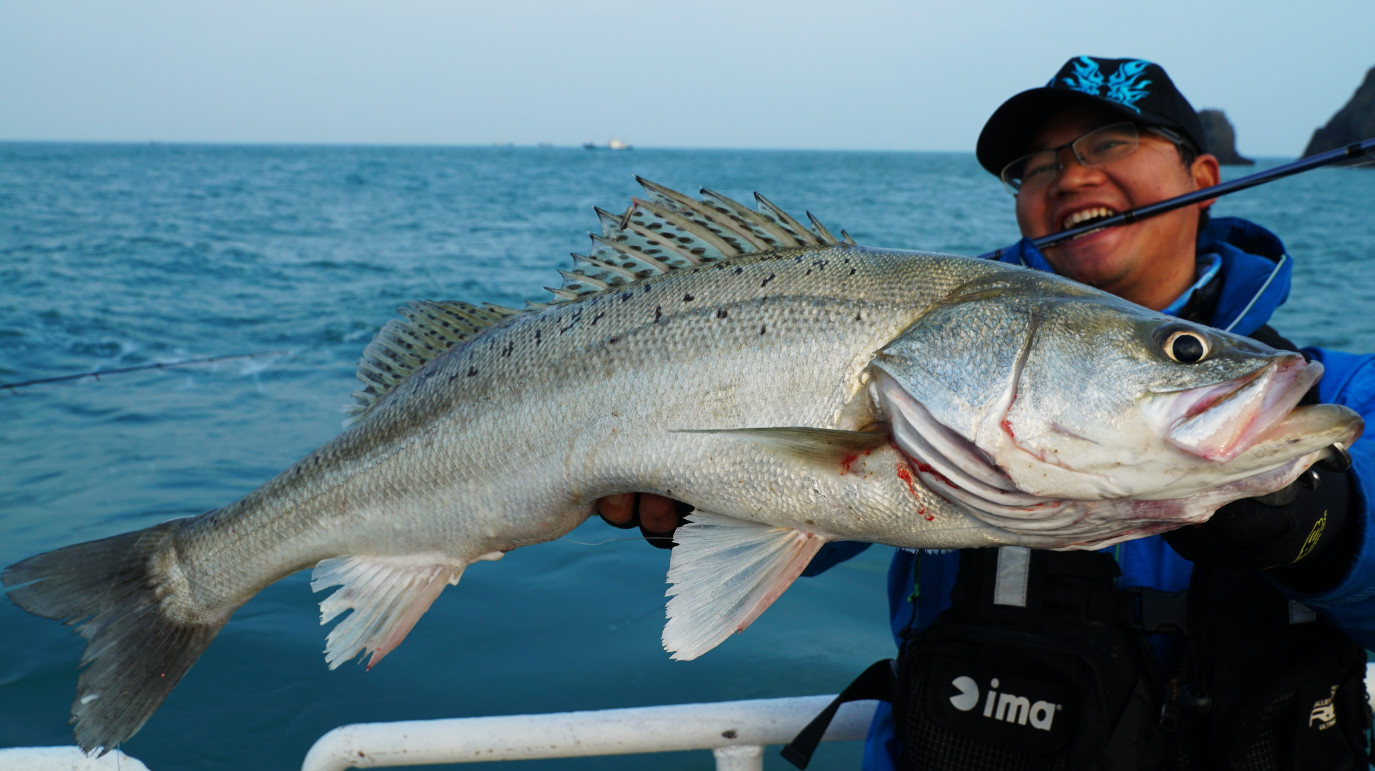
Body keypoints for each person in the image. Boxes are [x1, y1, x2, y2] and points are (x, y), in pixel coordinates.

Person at [599, 56, 1375, 769]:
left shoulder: (1343, 392)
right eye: (1033, 165)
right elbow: (828, 517)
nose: (1068, 177)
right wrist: (712, 505)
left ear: (1201, 171)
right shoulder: (946, 344)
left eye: (1107, 142)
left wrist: (1328, 532)